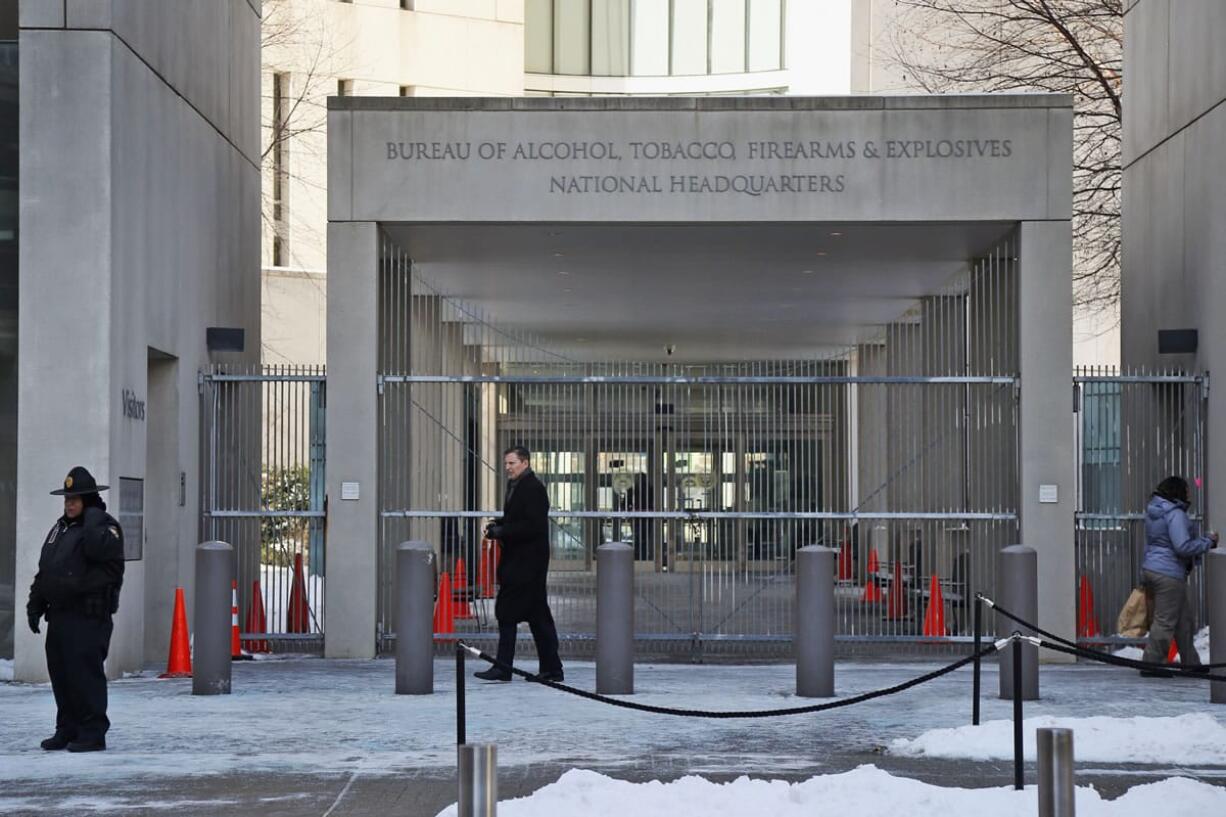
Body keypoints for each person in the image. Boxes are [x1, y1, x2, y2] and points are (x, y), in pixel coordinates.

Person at [26, 466, 125, 751]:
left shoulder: (104, 528)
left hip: (88, 617)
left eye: (77, 499)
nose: (69, 504)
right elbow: (46, 570)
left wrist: (93, 514)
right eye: (67, 499)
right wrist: (35, 604)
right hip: (60, 616)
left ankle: (92, 732)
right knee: (62, 675)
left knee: (84, 675)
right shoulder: (60, 528)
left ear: (89, 500)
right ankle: (67, 728)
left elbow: (98, 553)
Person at [476, 446, 564, 682]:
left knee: (508, 613)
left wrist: (502, 531)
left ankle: (505, 667)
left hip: (526, 564)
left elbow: (532, 526)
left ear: (525, 462)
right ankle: (551, 668)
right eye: (506, 463)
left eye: (512, 463)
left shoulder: (533, 488)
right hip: (523, 563)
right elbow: (521, 519)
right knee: (537, 617)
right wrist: (501, 523)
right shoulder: (518, 486)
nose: (507, 468)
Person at [1139, 475, 1217, 677]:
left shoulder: (1154, 511)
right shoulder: (1175, 514)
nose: (1189, 493)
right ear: (1178, 492)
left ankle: (1191, 664)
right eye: (1187, 490)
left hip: (1153, 568)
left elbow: (1154, 542)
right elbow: (1182, 546)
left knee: (1183, 622)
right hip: (1169, 573)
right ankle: (1152, 665)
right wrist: (1208, 542)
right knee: (1165, 621)